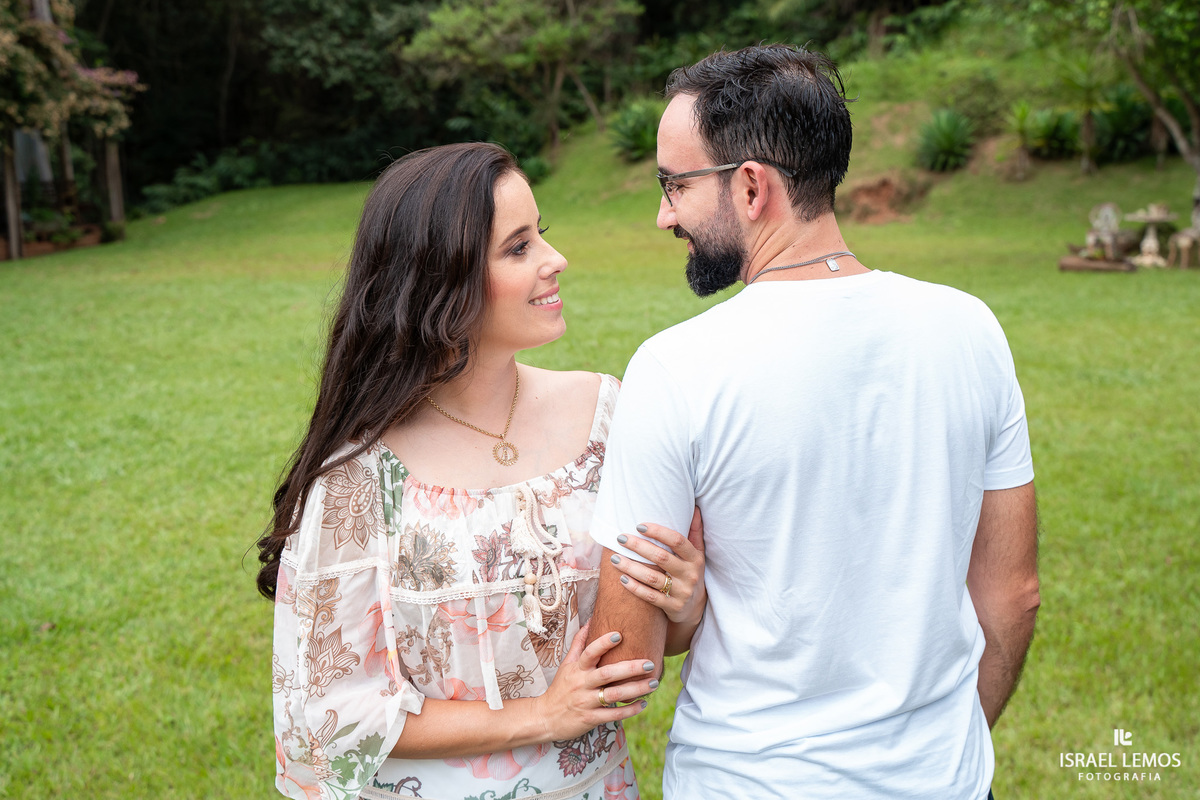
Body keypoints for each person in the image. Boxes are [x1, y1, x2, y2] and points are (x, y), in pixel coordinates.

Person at [588, 45, 1040, 799]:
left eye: (674, 185)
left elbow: (625, 654)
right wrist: (948, 752)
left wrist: (689, 612)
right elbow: (1013, 594)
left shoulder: (678, 367)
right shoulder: (971, 328)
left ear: (753, 186)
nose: (663, 214)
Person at [256, 142, 706, 800]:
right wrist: (541, 715)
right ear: (442, 280)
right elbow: (327, 713)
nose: (556, 261)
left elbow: (640, 643)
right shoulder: (359, 474)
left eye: (541, 236)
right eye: (518, 248)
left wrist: (688, 606)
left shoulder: (609, 415)